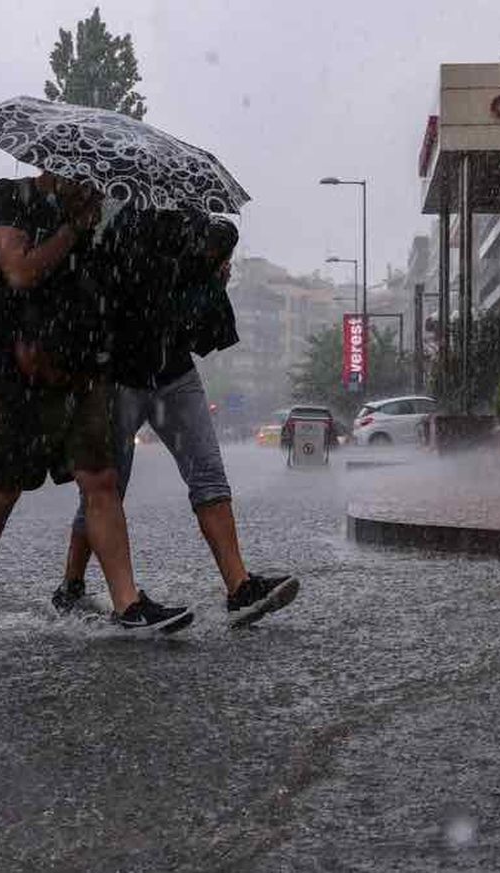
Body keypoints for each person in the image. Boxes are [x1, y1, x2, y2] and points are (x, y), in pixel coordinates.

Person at [0, 171, 194, 635]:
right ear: (51, 166)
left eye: (91, 179)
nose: (86, 183)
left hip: (80, 370)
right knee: (4, 487)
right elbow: (19, 271)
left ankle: (128, 603)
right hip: (13, 376)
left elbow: (101, 284)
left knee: (100, 480)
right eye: (78, 176)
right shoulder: (7, 196)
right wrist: (73, 230)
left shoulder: (88, 214)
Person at [54, 212, 300, 628]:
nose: (217, 257)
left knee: (209, 476)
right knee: (105, 490)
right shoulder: (122, 229)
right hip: (120, 376)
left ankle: (239, 587)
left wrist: (211, 280)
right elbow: (124, 299)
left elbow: (190, 315)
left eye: (221, 254)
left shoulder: (188, 231)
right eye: (216, 254)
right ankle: (73, 586)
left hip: (174, 373)